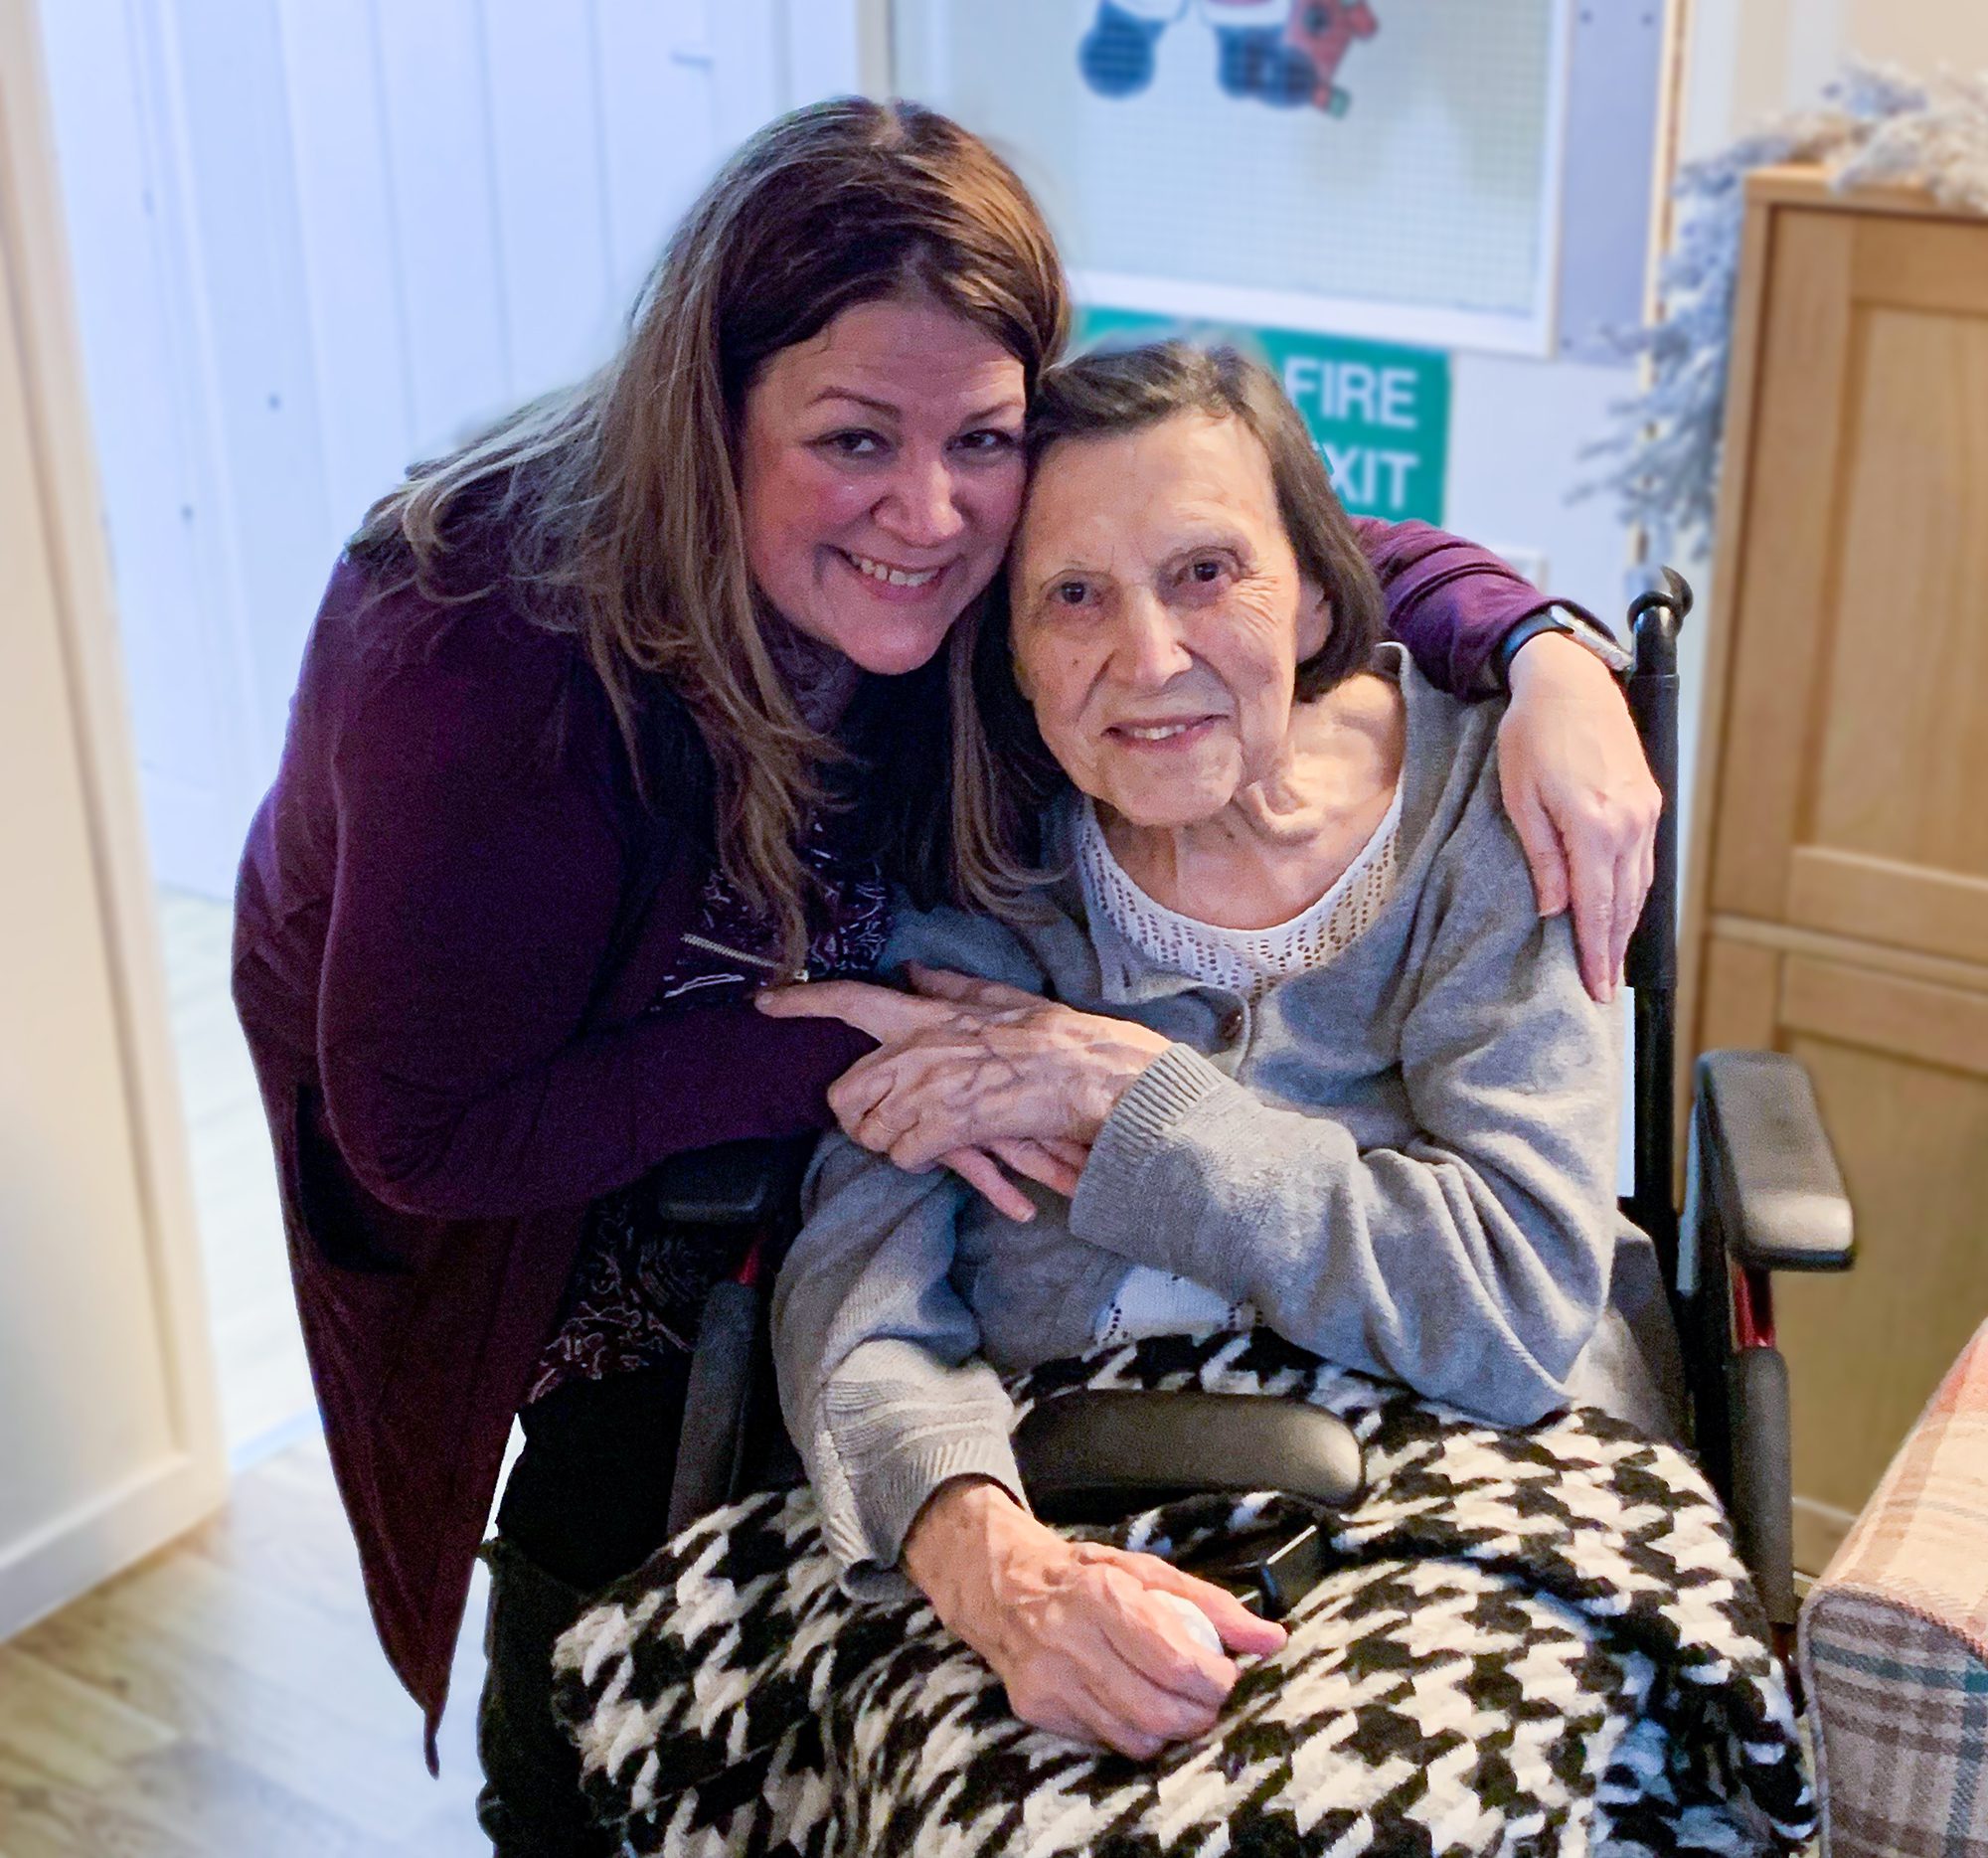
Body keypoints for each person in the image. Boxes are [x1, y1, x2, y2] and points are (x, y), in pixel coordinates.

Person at [230, 99, 1657, 1856]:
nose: (928, 511)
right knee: (617, 1652)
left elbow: (1226, 517)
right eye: (851, 438)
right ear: (714, 413)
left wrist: (1542, 649)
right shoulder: (489, 654)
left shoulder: (1329, 760)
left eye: (983, 442)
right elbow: (434, 1134)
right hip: (546, 1135)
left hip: (1393, 1458)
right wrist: (873, 1059)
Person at [763, 341, 1684, 1762]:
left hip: (1461, 1476)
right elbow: (860, 1293)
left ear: (1315, 589)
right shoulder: (983, 868)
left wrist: (1129, 1098)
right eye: (1074, 596)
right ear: (1009, 648)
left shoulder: (1484, 812)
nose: (1149, 659)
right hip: (1049, 1495)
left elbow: (1513, 1300)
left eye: (1205, 573)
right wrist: (999, 1571)